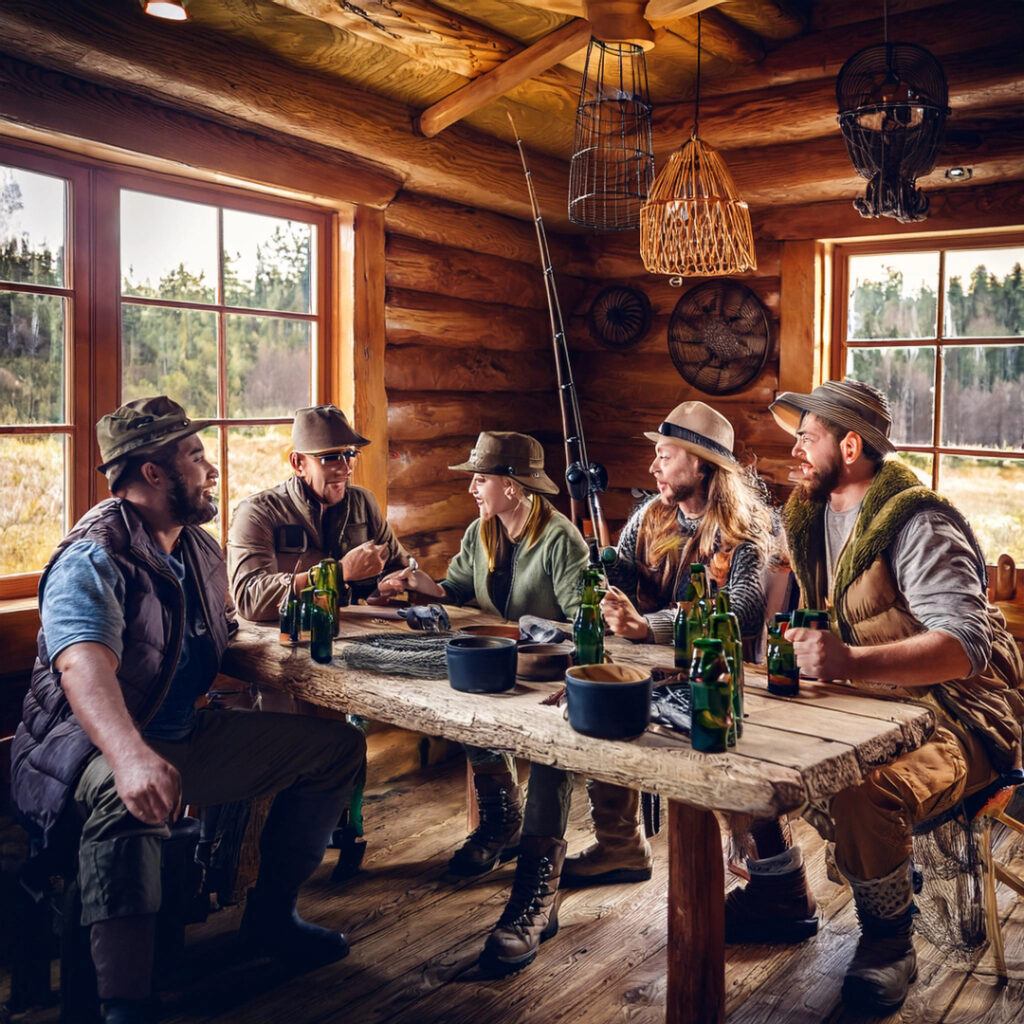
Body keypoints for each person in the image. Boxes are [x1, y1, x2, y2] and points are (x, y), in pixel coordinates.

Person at [10, 397, 366, 1024]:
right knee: (130, 798)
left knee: (335, 751)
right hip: (84, 749)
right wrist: (130, 758)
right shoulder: (94, 554)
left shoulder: (197, 548)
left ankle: (270, 918)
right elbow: (80, 663)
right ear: (152, 473)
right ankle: (125, 1003)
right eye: (196, 456)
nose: (212, 469)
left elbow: (217, 634)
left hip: (183, 732)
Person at [770, 378, 1024, 1013]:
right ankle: (776, 888)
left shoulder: (919, 522)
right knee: (733, 736)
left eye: (808, 438)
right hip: (861, 701)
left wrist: (850, 660)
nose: (796, 450)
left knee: (863, 786)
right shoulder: (809, 515)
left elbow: (967, 648)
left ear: (851, 446)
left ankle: (889, 945)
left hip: (957, 713)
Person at [564, 402, 813, 940]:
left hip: (718, 676)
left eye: (665, 455)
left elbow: (743, 605)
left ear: (702, 466)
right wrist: (607, 566)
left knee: (728, 767)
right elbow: (627, 572)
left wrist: (646, 626)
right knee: (589, 706)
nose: (654, 467)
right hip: (649, 667)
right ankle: (618, 845)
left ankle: (780, 889)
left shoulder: (747, 529)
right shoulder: (652, 513)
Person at [378, 431, 590, 973]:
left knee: (549, 754)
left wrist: (523, 633)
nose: (472, 487)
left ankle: (534, 895)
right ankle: (501, 821)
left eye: (482, 478)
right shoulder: (482, 532)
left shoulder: (563, 542)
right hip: (500, 671)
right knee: (460, 701)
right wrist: (421, 586)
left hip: (553, 678)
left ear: (514, 487)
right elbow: (458, 590)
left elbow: (584, 623)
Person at [228, 403, 409, 622]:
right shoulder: (258, 513)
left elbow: (399, 566)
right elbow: (251, 600)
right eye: (330, 457)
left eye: (350, 454)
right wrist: (338, 573)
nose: (346, 468)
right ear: (298, 463)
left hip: (357, 635)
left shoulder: (363, 502)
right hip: (286, 641)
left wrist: (385, 588)